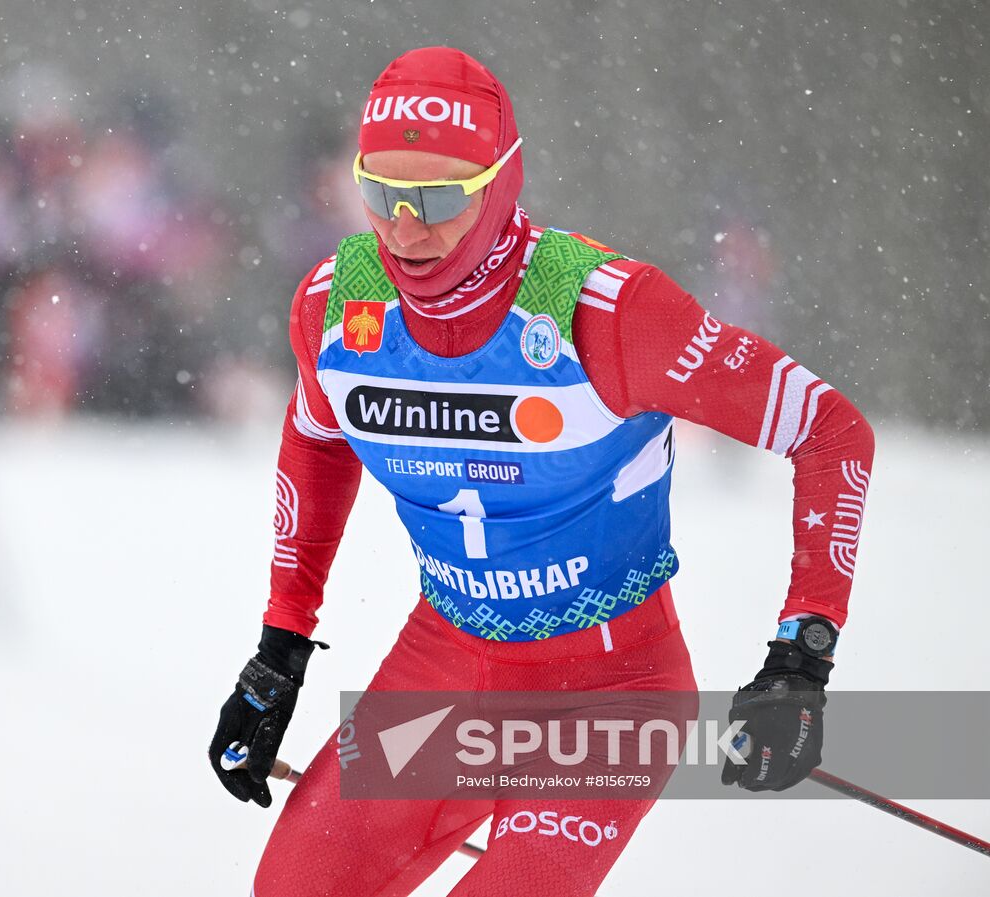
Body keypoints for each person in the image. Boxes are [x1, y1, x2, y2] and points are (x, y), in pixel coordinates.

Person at [209, 47, 875, 897]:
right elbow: (316, 440)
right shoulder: (338, 304)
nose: (406, 229)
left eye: (441, 200)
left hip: (608, 693)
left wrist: (801, 654)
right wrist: (280, 650)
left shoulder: (607, 309)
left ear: (501, 182)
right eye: (382, 192)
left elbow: (831, 431)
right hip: (448, 666)